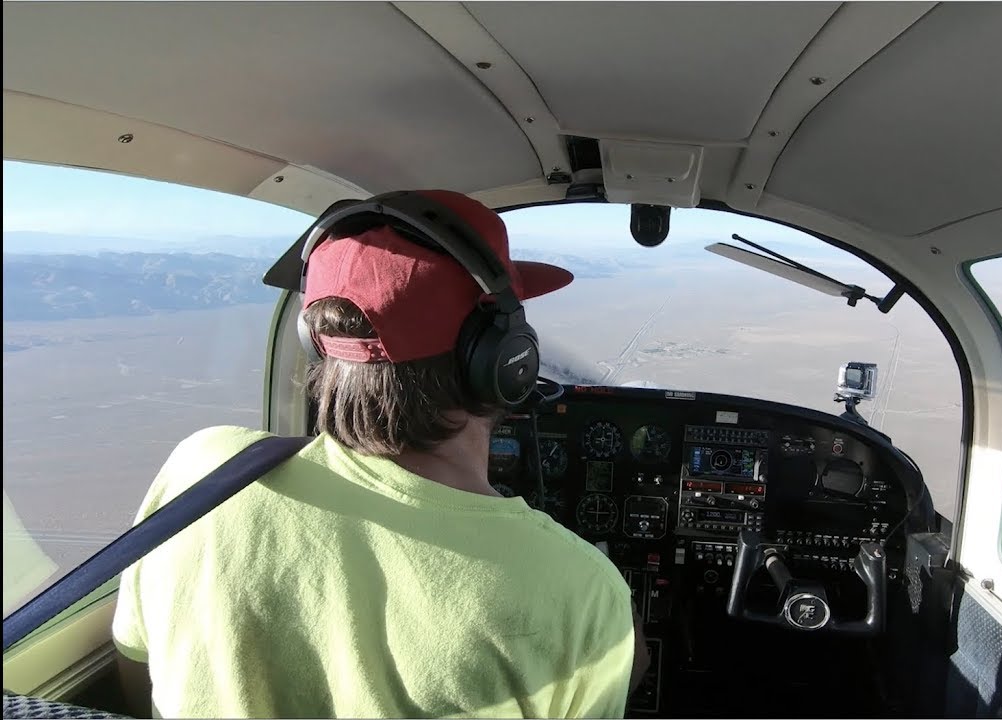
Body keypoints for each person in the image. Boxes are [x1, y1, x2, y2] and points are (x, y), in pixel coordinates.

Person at [112, 189, 649, 718]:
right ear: (504, 361)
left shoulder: (202, 473)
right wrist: (622, 641)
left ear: (315, 343)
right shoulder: (581, 591)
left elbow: (140, 675)